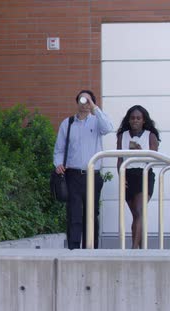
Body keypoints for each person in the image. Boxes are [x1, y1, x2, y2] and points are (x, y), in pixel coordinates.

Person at [53, 90, 113, 249]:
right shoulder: (68, 123)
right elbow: (59, 149)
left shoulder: (96, 122)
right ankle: (73, 248)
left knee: (91, 214)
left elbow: (108, 128)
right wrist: (58, 163)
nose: (85, 103)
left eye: (88, 101)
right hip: (73, 175)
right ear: (77, 102)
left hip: (93, 176)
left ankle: (91, 248)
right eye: (82, 100)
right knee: (74, 213)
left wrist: (94, 107)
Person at [116, 105, 160, 249]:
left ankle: (134, 247)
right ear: (128, 120)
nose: (135, 120)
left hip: (144, 174)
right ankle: (141, 249)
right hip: (128, 175)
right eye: (132, 118)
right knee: (135, 214)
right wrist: (121, 177)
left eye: (138, 118)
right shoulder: (122, 136)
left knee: (140, 211)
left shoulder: (150, 136)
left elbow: (154, 158)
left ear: (143, 121)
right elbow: (119, 159)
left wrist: (142, 151)